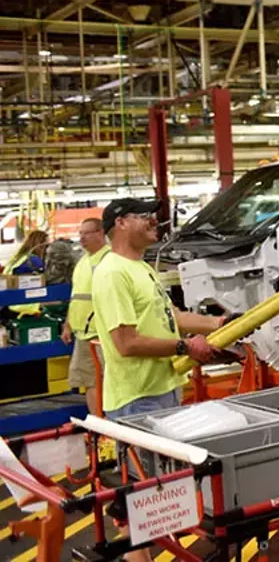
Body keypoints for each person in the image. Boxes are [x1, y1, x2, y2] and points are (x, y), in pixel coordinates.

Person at [92, 199, 228, 562]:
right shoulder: (112, 273)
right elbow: (125, 343)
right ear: (120, 223)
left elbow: (174, 317)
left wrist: (219, 325)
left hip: (162, 390)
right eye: (144, 216)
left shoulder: (141, 269)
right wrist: (185, 346)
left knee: (158, 492)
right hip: (137, 399)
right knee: (142, 495)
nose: (155, 221)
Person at [60, 218, 110, 417]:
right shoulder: (82, 262)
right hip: (83, 334)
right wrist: (68, 325)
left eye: (86, 233)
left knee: (109, 380)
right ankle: (100, 425)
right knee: (89, 380)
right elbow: (77, 297)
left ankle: (116, 427)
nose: (81, 238)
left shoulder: (108, 259)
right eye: (80, 233)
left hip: (103, 334)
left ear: (100, 233)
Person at [5, 229, 50, 315]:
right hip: (22, 304)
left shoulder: (18, 258)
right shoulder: (34, 260)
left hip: (8, 302)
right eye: (47, 245)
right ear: (40, 245)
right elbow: (48, 278)